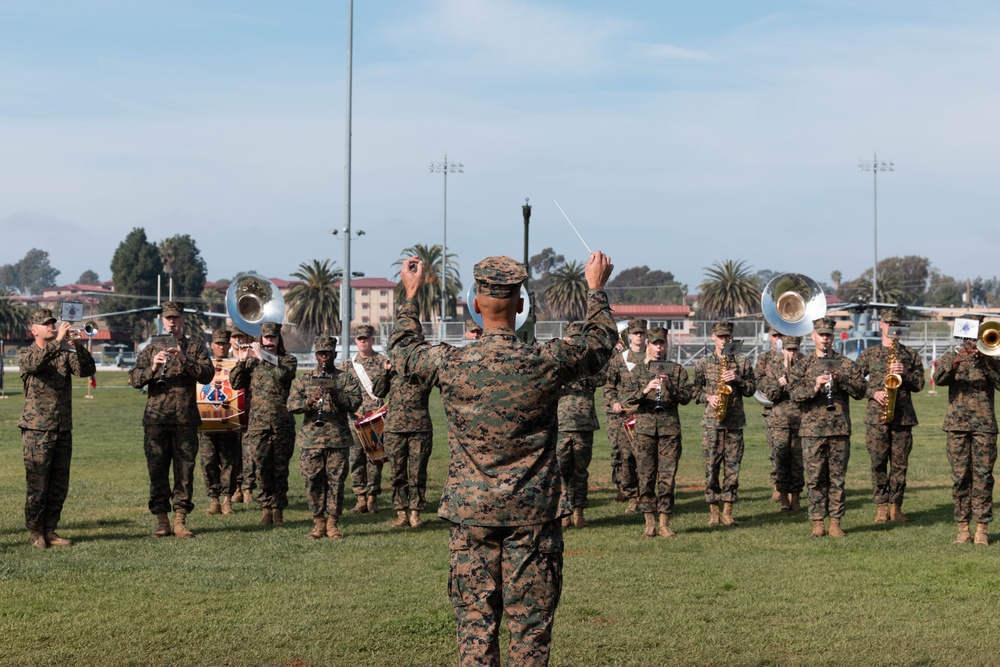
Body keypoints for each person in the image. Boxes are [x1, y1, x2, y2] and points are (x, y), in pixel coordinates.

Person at [389, 251, 616, 667]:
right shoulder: (545, 361)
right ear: (522, 305)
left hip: (471, 513)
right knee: (530, 630)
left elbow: (404, 351)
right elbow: (599, 343)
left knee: (475, 627)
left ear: (475, 304)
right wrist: (595, 289)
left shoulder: (451, 363)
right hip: (533, 515)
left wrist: (411, 293)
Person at [129, 302, 214, 538]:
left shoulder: (195, 348)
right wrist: (153, 369)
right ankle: (161, 520)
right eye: (167, 318)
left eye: (175, 318)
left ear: (182, 319)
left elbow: (207, 376)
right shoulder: (151, 348)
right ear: (162, 320)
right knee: (157, 470)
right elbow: (134, 379)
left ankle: (180, 520)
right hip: (156, 421)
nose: (171, 322)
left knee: (184, 471)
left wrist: (185, 358)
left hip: (184, 420)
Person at [17, 308, 96, 548]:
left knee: (59, 484)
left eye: (53, 322)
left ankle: (51, 529)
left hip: (62, 427)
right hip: (36, 429)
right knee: (38, 484)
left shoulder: (64, 352)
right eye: (46, 324)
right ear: (34, 330)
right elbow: (34, 365)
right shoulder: (26, 353)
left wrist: (78, 346)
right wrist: (59, 342)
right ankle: (36, 532)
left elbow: (86, 371)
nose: (51, 326)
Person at [789, 317, 865, 538]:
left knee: (837, 478)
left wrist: (842, 380)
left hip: (839, 430)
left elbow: (861, 391)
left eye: (828, 335)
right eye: (820, 334)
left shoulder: (846, 363)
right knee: (814, 478)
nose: (825, 338)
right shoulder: (803, 365)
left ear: (833, 337)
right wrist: (815, 386)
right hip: (812, 431)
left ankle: (835, 522)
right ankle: (817, 522)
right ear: (813, 336)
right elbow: (795, 395)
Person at [932, 318, 1000, 546]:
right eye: (970, 337)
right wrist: (957, 361)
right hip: (957, 426)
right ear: (963, 337)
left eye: (977, 336)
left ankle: (982, 529)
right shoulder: (951, 357)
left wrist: (988, 361)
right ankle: (963, 529)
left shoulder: (991, 358)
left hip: (984, 427)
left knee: (983, 477)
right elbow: (938, 379)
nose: (973, 341)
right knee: (960, 478)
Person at [287, 335, 363, 539]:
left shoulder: (345, 378)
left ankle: (332, 523)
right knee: (312, 481)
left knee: (336, 482)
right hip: (311, 440)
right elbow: (291, 405)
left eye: (328, 353)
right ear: (316, 355)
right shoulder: (304, 379)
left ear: (334, 355)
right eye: (320, 353)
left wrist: (335, 393)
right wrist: (309, 401)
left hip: (338, 439)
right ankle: (318, 522)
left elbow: (355, 402)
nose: (324, 357)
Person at [855, 307, 925, 524]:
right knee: (877, 462)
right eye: (888, 323)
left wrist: (906, 374)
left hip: (902, 417)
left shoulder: (911, 355)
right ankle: (881, 507)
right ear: (881, 325)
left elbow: (920, 384)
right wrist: (872, 392)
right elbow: (855, 382)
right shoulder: (868, 354)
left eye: (896, 324)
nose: (892, 327)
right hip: (877, 417)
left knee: (900, 464)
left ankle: (896, 507)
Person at [621, 326, 692, 537]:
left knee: (667, 477)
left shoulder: (676, 369)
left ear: (666, 344)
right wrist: (645, 390)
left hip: (669, 430)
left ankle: (664, 522)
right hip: (644, 431)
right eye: (655, 343)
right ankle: (649, 522)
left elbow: (687, 397)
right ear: (648, 345)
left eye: (662, 343)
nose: (659, 347)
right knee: (645, 476)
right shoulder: (638, 370)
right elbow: (625, 400)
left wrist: (671, 387)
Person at [230, 321, 297, 527]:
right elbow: (235, 383)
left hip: (281, 424)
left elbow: (282, 377)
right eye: (266, 338)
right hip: (258, 425)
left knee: (280, 469)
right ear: (261, 339)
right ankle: (266, 509)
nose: (269, 341)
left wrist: (264, 358)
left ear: (279, 339)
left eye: (273, 337)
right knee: (261, 468)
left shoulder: (287, 360)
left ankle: (278, 511)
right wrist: (241, 362)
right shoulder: (252, 363)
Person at [692, 321, 756, 526]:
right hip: (712, 423)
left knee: (733, 469)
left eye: (727, 336)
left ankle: (728, 511)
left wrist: (738, 379)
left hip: (735, 424)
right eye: (720, 336)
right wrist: (708, 398)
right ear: (713, 337)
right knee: (711, 468)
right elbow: (692, 391)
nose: (724, 340)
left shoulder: (743, 362)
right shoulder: (703, 363)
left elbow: (752, 389)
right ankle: (713, 511)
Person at [556, 321, 603, 529]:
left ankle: (579, 513)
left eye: (579, 340)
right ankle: (563, 514)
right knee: (561, 470)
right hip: (562, 425)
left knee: (580, 472)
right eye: (572, 339)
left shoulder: (588, 363)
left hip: (584, 425)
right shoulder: (557, 362)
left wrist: (585, 360)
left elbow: (601, 378)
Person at [342, 324, 390, 514]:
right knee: (355, 459)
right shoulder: (347, 365)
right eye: (360, 338)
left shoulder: (383, 362)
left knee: (375, 459)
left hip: (375, 421)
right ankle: (360, 497)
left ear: (372, 340)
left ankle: (372, 498)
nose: (363, 341)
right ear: (356, 341)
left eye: (366, 338)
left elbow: (390, 390)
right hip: (354, 420)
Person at [383, 358, 435, 529]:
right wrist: (386, 371)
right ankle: (401, 513)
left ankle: (415, 513)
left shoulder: (422, 372)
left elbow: (433, 382)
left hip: (419, 429)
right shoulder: (391, 373)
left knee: (418, 471)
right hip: (394, 430)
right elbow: (378, 391)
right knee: (397, 472)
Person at [602, 319, 647, 513]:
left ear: (646, 335)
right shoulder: (619, 360)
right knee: (627, 457)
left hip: (647, 414)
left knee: (645, 458)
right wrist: (614, 402)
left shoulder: (653, 358)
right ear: (629, 336)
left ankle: (646, 495)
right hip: (625, 415)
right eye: (635, 333)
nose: (638, 336)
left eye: (642, 333)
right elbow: (609, 386)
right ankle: (631, 496)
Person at [757, 335, 805, 511]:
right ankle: (784, 498)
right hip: (779, 421)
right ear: (782, 350)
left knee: (798, 462)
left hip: (800, 419)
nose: (791, 353)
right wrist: (779, 384)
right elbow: (770, 395)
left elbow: (807, 393)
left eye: (794, 350)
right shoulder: (774, 367)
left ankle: (797, 497)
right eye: (788, 349)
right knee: (781, 460)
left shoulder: (804, 366)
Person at [198, 328, 242, 516]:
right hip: (206, 423)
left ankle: (227, 500)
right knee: (208, 462)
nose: (221, 347)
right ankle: (213, 499)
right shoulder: (203, 365)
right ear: (212, 345)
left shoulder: (235, 364)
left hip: (228, 423)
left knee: (229, 462)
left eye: (224, 343)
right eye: (218, 343)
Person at [754, 327, 785, 502]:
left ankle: (792, 490)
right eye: (775, 335)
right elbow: (758, 380)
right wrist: (776, 385)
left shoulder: (798, 356)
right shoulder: (764, 359)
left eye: (781, 335)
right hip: (772, 412)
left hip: (795, 412)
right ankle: (777, 487)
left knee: (796, 454)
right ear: (770, 338)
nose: (778, 339)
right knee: (776, 452)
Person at [230, 325, 255, 504]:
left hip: (249, 411)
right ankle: (235, 487)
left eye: (242, 337)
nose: (238, 340)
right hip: (229, 413)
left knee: (249, 452)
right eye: (235, 337)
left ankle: (248, 489)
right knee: (232, 453)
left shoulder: (253, 360)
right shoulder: (224, 361)